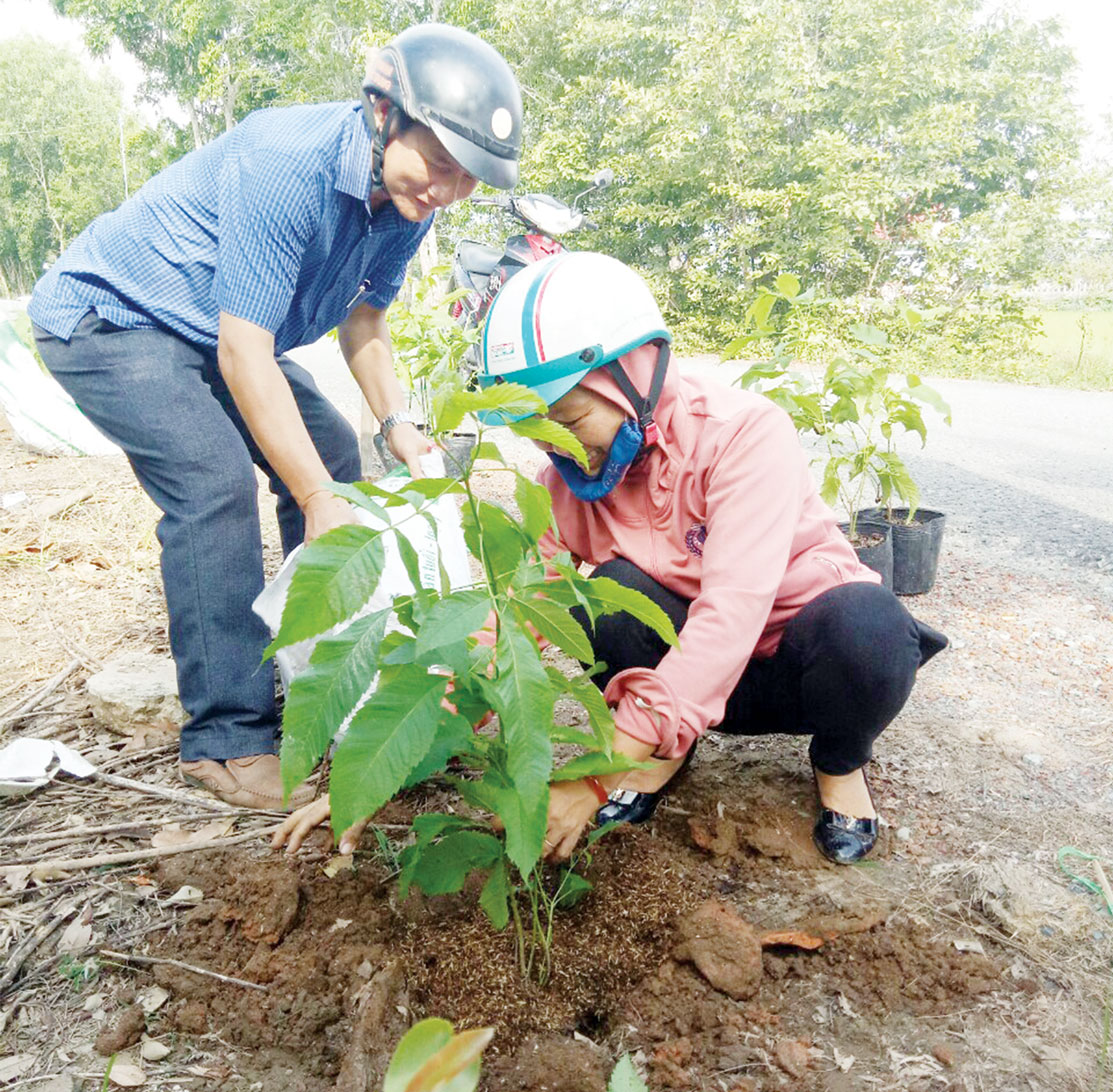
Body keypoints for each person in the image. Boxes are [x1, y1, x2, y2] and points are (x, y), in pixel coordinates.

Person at [27, 24, 523, 811]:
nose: (445, 190)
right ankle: (225, 738)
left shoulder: (409, 202)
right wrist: (318, 497)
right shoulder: (286, 164)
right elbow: (245, 354)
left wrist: (399, 426)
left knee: (330, 448)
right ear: (381, 111)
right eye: (436, 164)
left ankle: (328, 675)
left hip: (209, 322)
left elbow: (364, 323)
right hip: (113, 317)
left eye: (466, 178)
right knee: (213, 483)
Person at [474, 251, 947, 864]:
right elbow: (514, 611)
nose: (560, 446)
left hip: (793, 666)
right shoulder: (561, 483)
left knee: (869, 628)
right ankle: (666, 752)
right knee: (610, 593)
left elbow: (733, 611)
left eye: (570, 418)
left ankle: (839, 762)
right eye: (535, 431)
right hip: (687, 679)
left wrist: (594, 776)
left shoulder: (742, 433)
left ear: (634, 375)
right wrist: (400, 753)